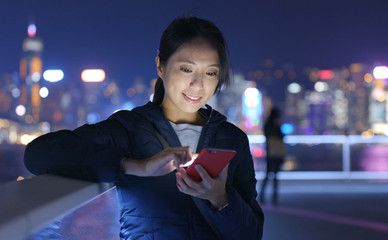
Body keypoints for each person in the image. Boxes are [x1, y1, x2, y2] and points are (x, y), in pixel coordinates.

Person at [24, 16, 264, 240]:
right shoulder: (129, 129)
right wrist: (136, 166)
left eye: (210, 72)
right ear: (160, 66)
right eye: (186, 69)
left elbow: (252, 234)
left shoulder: (232, 139)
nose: (198, 84)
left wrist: (220, 198)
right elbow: (38, 154)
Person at [259, 107, 286, 204]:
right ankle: (274, 197)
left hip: (270, 152)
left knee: (268, 175)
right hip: (276, 153)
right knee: (275, 176)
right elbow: (282, 136)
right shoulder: (275, 125)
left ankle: (263, 196)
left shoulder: (267, 125)